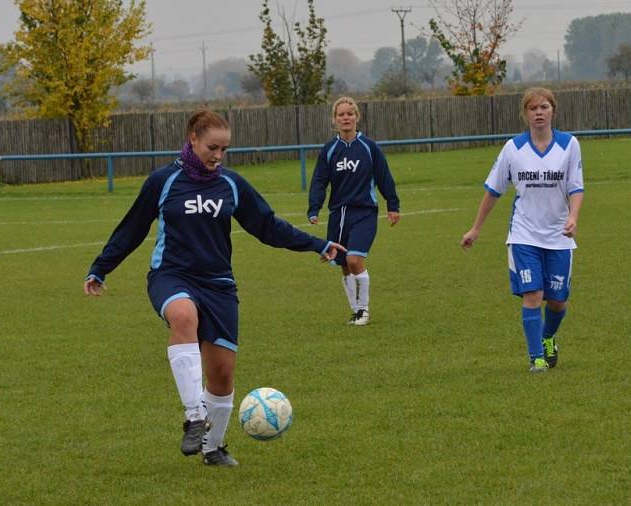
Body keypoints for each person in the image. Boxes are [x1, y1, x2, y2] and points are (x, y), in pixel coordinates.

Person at [83, 110, 345, 466]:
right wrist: (101, 267)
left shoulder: (231, 184)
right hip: (171, 275)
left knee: (221, 376)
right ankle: (194, 415)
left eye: (224, 149)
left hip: (218, 284)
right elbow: (132, 228)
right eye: (212, 147)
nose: (218, 156)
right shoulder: (163, 181)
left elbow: (267, 227)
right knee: (183, 315)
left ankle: (213, 448)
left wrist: (317, 244)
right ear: (193, 138)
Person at [460, 87, 584, 373]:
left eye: (544, 107)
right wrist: (476, 229)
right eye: (533, 108)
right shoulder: (513, 148)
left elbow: (576, 187)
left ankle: (548, 337)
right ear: (525, 114)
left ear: (553, 110)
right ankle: (536, 357)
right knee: (533, 295)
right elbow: (493, 191)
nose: (539, 113)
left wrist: (573, 217)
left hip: (558, 236)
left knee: (557, 301)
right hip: (523, 235)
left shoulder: (569, 145)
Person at [307, 96, 401, 326]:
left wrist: (393, 204)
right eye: (341, 114)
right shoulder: (330, 150)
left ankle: (364, 311)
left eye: (350, 113)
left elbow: (383, 176)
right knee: (344, 264)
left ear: (357, 117)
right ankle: (355, 310)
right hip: (338, 215)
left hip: (364, 212)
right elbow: (319, 180)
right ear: (334, 120)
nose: (346, 117)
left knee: (355, 258)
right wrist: (314, 208)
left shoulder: (369, 147)